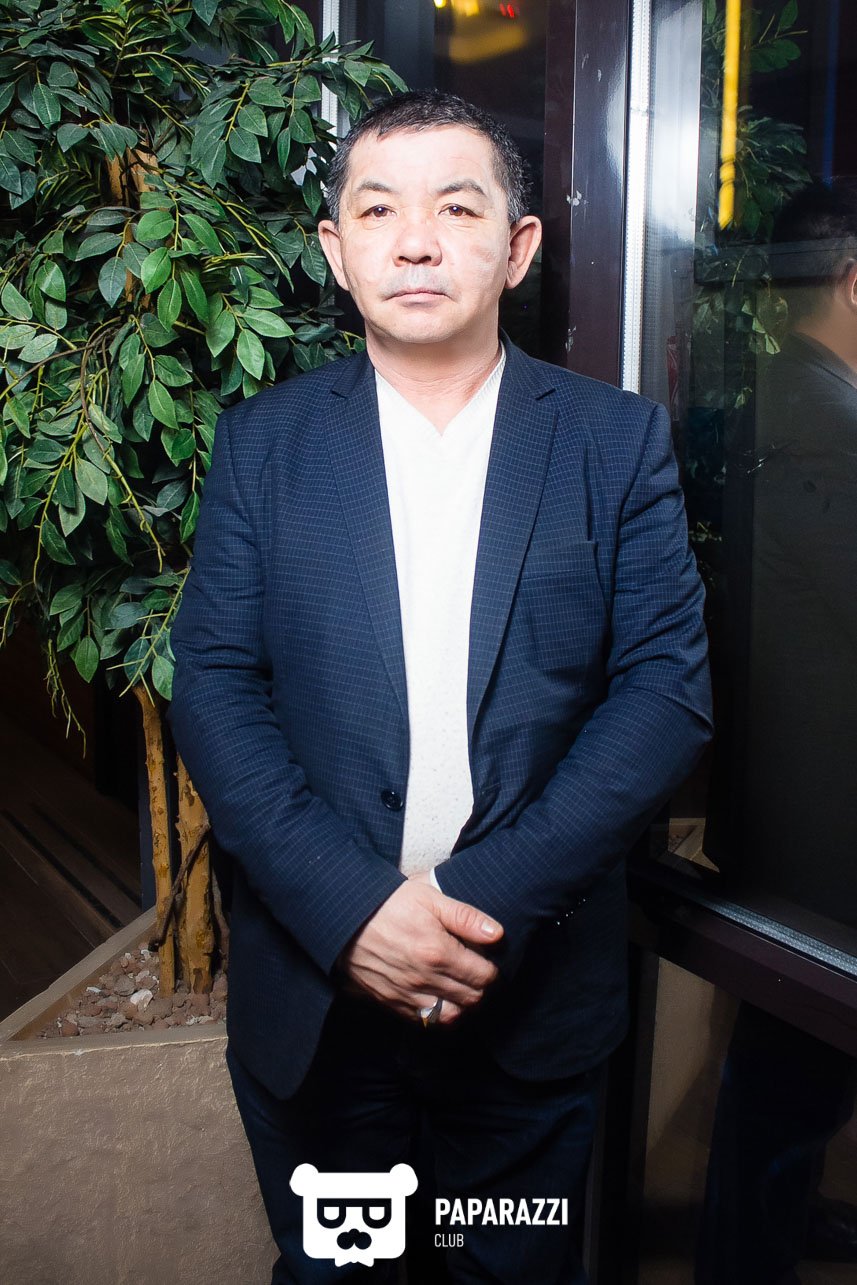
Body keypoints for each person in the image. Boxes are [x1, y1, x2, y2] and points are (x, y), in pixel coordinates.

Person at [167, 90, 711, 1284]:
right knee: (337, 1274)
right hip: (320, 994)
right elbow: (213, 684)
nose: (414, 241)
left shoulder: (612, 442)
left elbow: (662, 695)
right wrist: (355, 910)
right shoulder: (264, 443)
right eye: (378, 211)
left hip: (526, 993)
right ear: (336, 249)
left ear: (516, 248)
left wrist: (471, 902)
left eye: (456, 209)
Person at [697, 179, 857, 1284]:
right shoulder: (822, 422)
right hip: (818, 817)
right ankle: (745, 1258)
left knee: (799, 1060)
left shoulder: (795, 394)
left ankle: (778, 1224)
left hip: (799, 795)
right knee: (789, 1067)